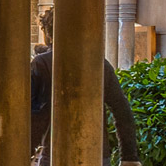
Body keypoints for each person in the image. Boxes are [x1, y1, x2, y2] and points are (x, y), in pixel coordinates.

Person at [29, 10, 141, 166]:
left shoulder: (42, 64)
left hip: (54, 151)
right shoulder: (99, 64)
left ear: (49, 33)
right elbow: (122, 110)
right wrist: (129, 157)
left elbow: (35, 114)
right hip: (97, 153)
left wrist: (27, 152)